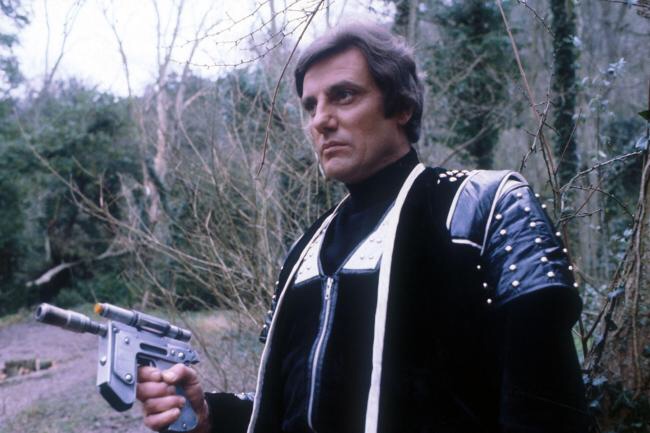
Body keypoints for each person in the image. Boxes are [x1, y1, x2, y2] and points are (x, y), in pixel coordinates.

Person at [137, 22, 589, 433]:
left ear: (402, 106)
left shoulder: (485, 208)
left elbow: (546, 407)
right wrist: (209, 415)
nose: (321, 120)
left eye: (344, 96)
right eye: (310, 105)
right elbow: (297, 408)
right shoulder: (305, 250)